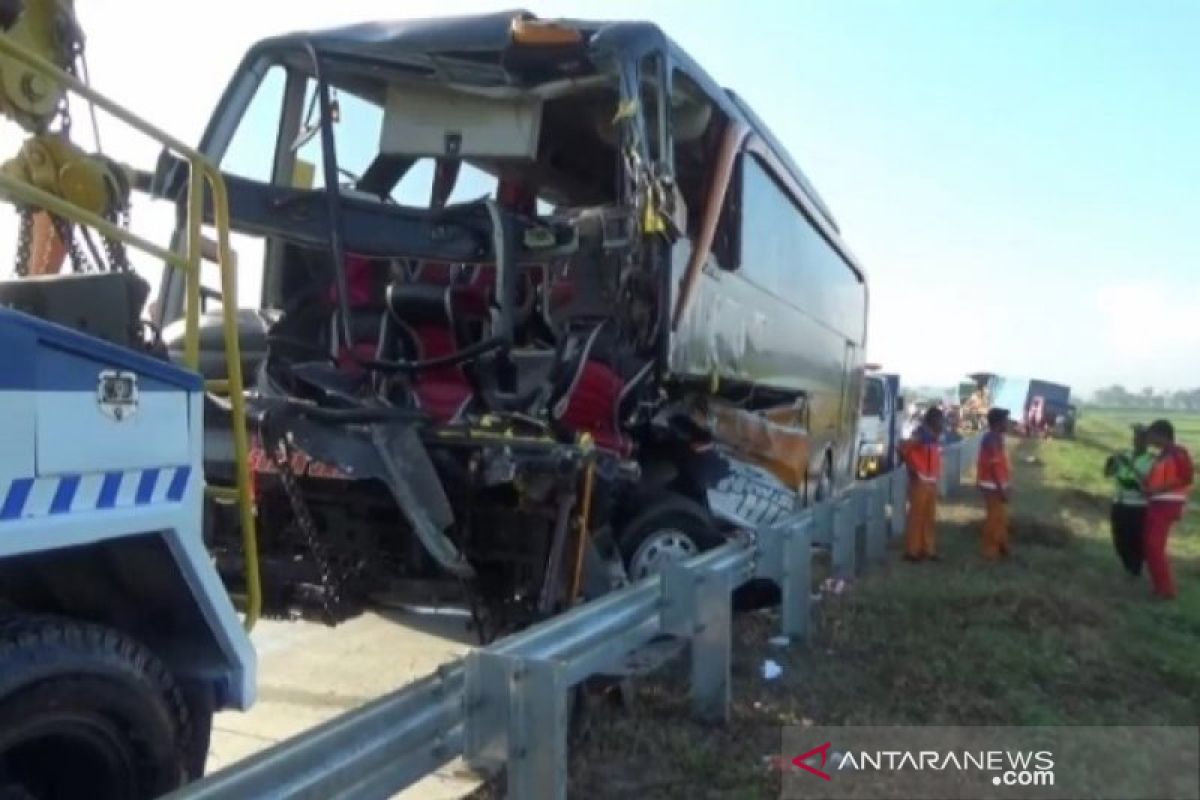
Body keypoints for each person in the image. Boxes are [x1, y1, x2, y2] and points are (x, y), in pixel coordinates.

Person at [1140, 420, 1194, 600]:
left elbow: (1186, 478)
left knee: (1154, 547)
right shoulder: (1163, 455)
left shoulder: (1178, 453)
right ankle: (1159, 587)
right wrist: (1148, 487)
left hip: (1168, 504)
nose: (1150, 439)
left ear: (1162, 435)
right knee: (1150, 546)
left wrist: (1156, 491)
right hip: (1156, 503)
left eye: (1152, 435)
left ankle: (1166, 591)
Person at [1103, 424, 1153, 577]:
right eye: (1136, 437)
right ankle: (1129, 564)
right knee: (1118, 538)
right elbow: (1108, 473)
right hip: (1119, 503)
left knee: (1135, 539)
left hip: (1138, 507)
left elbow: (1149, 484)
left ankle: (1135, 569)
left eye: (1141, 438)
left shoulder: (1152, 461)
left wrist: (1130, 467)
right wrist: (1111, 462)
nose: (1137, 441)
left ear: (1148, 442)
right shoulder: (1125, 454)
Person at [899, 407, 945, 561]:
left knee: (929, 517)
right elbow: (903, 448)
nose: (942, 424)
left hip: (931, 481)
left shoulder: (934, 437)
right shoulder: (920, 435)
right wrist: (913, 468)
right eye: (940, 420)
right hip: (920, 481)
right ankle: (913, 551)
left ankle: (928, 549)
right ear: (933, 420)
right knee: (917, 516)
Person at [977, 408, 1012, 559]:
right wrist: (1001, 488)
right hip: (992, 485)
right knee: (994, 518)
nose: (1008, 423)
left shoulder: (996, 438)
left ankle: (1001, 546)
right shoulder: (992, 440)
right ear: (998, 423)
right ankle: (990, 550)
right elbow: (993, 466)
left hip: (996, 484)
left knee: (1000, 517)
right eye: (1005, 420)